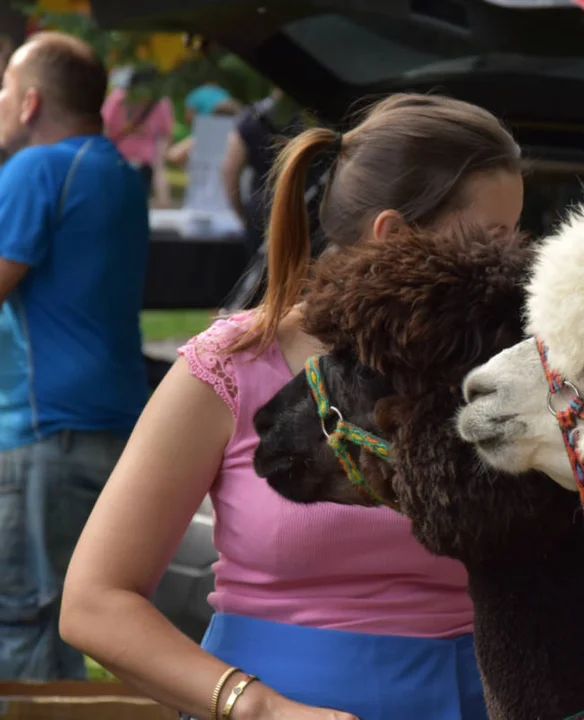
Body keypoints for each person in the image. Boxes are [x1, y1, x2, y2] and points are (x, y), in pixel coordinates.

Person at [59, 93, 517, 720]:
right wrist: (261, 708)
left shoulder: (501, 376)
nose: (514, 261)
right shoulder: (229, 365)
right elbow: (94, 601)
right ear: (395, 235)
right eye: (492, 238)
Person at [0, 31, 150, 680]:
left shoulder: (37, 169)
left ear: (30, 104)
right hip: (112, 425)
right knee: (69, 617)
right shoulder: (118, 172)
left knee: (25, 625)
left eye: (4, 89)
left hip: (42, 432)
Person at [221, 88, 306, 259]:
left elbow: (229, 171)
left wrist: (241, 212)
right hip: (306, 208)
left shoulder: (251, 117)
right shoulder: (313, 117)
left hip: (263, 209)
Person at [101, 65, 175, 206]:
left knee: (115, 204)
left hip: (118, 160)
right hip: (142, 162)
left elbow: (105, 127)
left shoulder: (118, 97)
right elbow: (167, 132)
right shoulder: (161, 102)